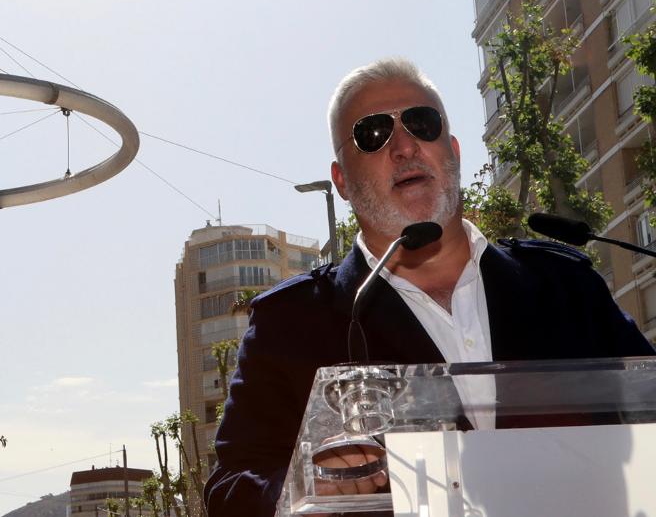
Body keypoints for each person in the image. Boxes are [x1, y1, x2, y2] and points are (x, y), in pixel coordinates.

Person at [203, 57, 655, 517]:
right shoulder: (290, 325)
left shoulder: (566, 286)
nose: (404, 146)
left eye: (422, 124)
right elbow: (231, 484)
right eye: (372, 133)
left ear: (453, 151)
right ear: (341, 179)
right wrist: (306, 486)